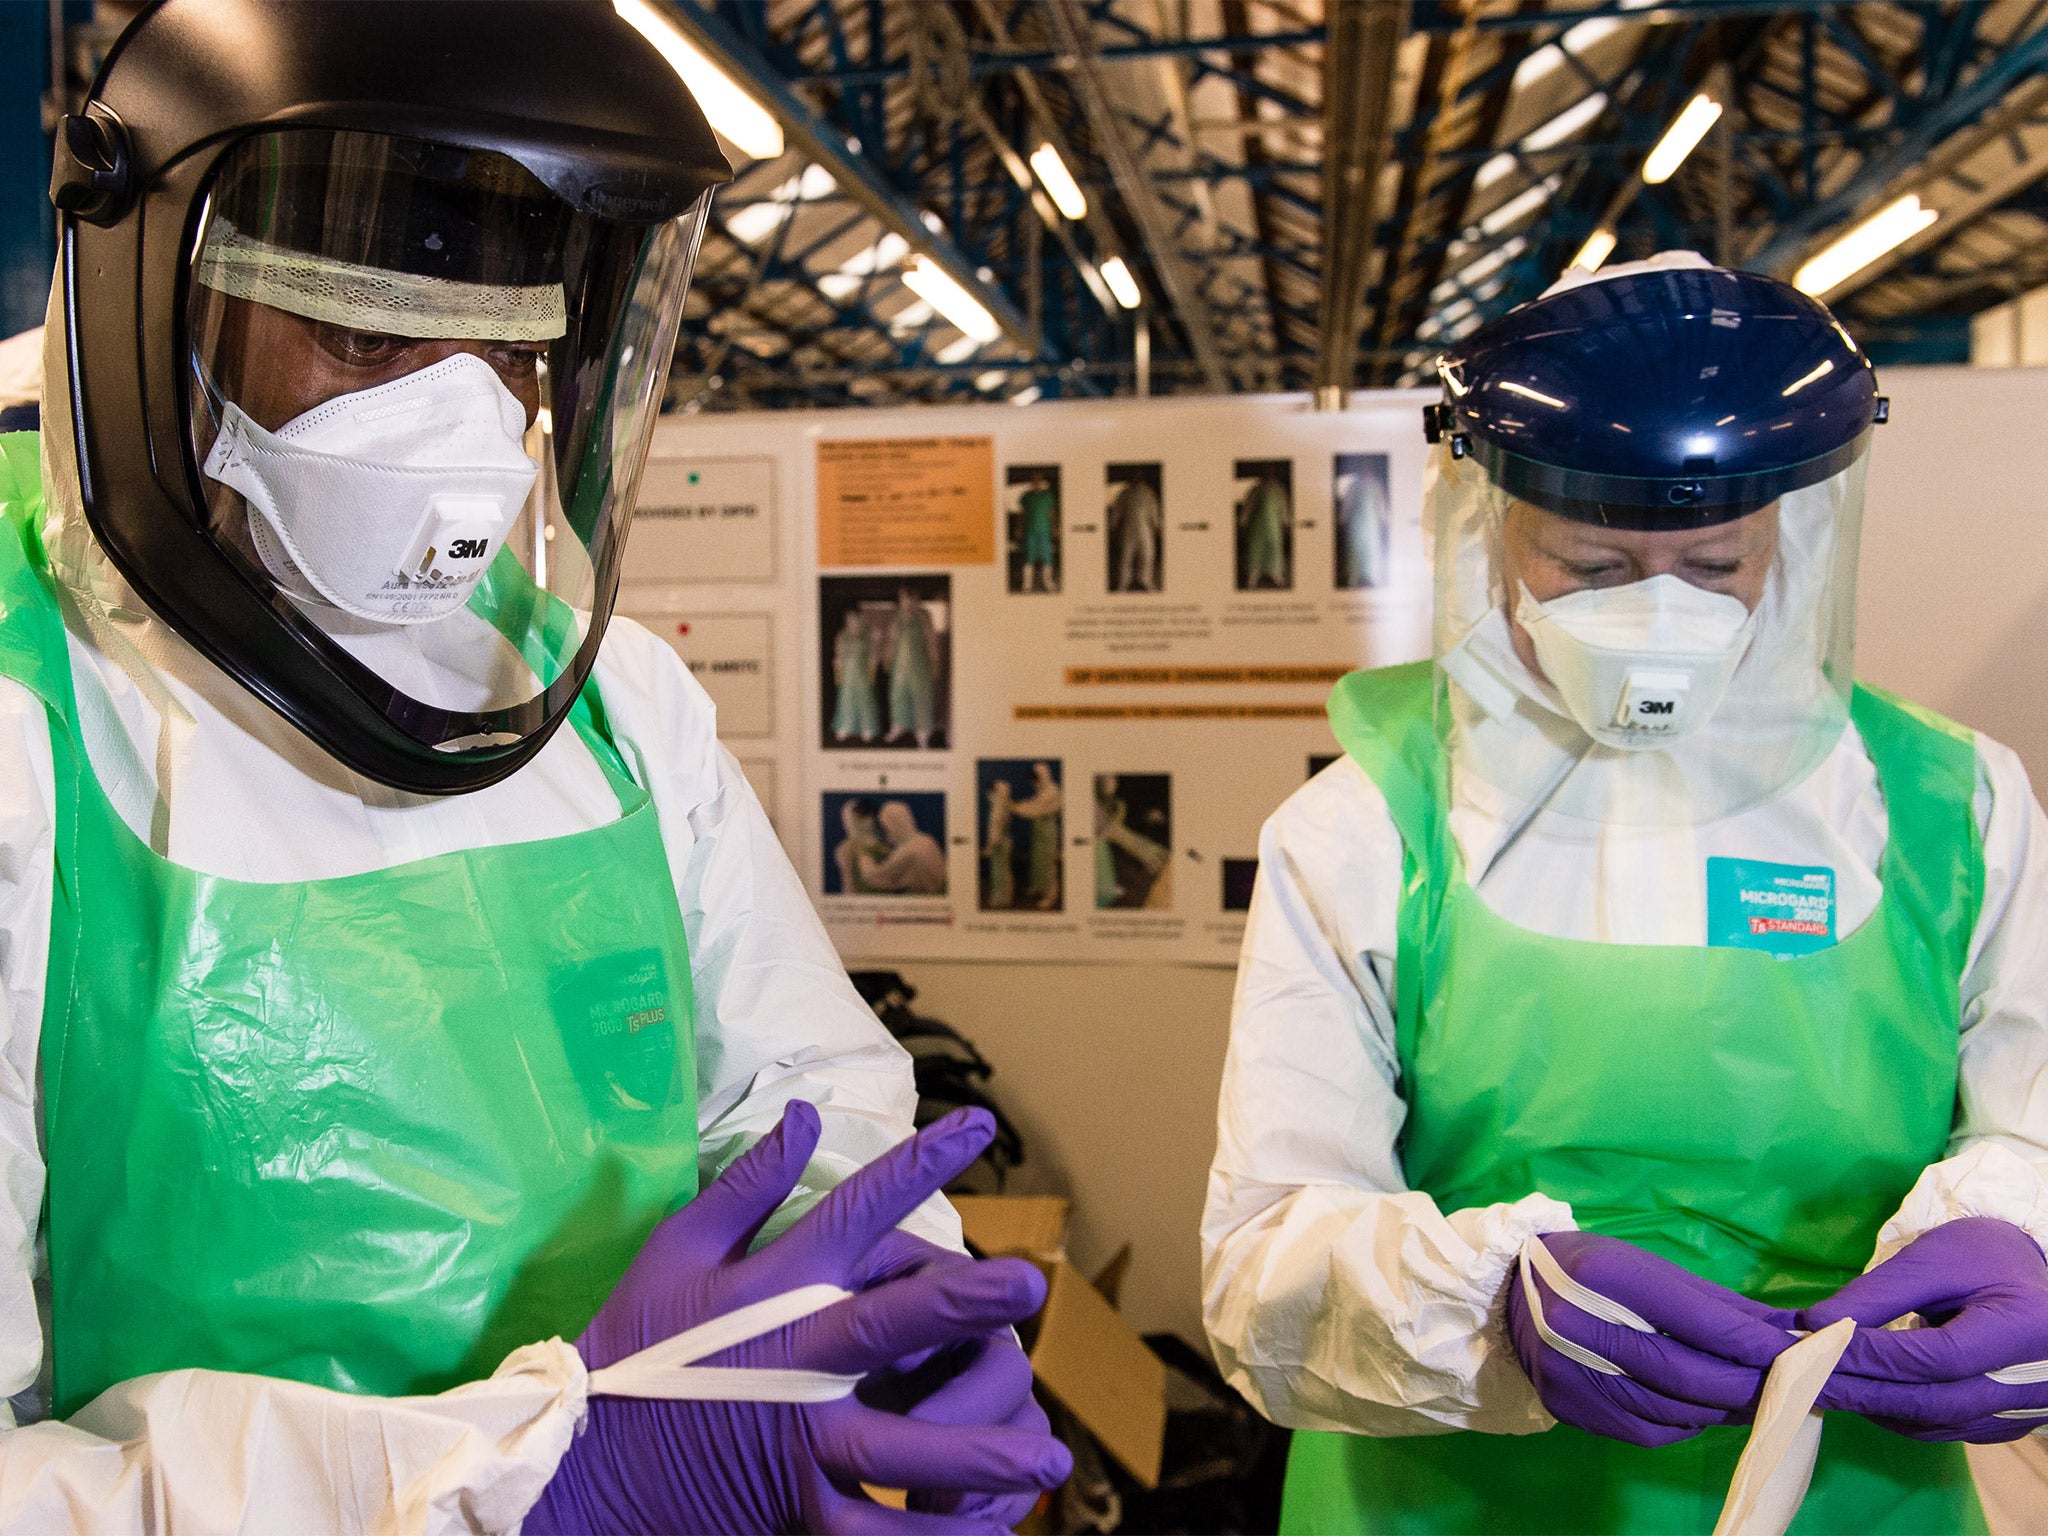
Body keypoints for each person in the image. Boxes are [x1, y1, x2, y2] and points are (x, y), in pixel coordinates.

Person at [0, 3, 1069, 1527]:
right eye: (364, 335)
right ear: (142, 295)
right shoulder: (31, 730)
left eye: (507, 349)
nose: (457, 426)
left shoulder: (610, 701)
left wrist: (886, 1319)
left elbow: (804, 1098)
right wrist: (499, 1495)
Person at [1203, 252, 2048, 1535]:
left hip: (1857, 1499)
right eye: (1591, 566)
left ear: (1791, 526)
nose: (1656, 616)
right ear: (1488, 524)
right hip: (1456, 1502)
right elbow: (1259, 1262)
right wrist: (1483, 1309)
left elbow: (2034, 1129)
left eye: (1712, 565)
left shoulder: (1952, 808)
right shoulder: (1368, 827)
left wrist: (2016, 1235)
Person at [884, 586, 940, 748]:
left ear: (916, 599)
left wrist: (935, 662)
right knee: (898, 695)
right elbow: (892, 640)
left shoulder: (924, 616)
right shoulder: (897, 617)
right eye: (903, 599)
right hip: (900, 666)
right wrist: (888, 657)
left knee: (921, 697)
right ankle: (899, 726)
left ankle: (922, 734)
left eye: (910, 598)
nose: (906, 602)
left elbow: (931, 641)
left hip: (920, 665)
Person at [857, 801, 950, 897]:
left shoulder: (907, 851)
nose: (886, 831)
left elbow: (876, 877)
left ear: (894, 825)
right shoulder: (926, 839)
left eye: (886, 826)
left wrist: (864, 857)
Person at [1015, 761, 1063, 910]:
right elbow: (1033, 803)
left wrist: (1015, 807)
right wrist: (1019, 805)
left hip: (1047, 832)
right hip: (1039, 831)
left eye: (1034, 780)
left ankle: (1050, 896)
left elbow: (1035, 808)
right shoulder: (1043, 790)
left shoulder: (1052, 791)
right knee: (1038, 862)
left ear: (1041, 777)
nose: (1033, 783)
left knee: (1048, 864)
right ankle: (1038, 887)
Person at [1335, 457, 1389, 589]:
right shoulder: (1354, 485)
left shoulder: (1375, 484)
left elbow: (1380, 504)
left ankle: (1371, 576)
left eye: (1368, 466)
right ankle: (1353, 577)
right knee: (1355, 548)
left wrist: (1386, 520)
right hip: (1356, 522)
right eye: (1363, 466)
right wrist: (1342, 517)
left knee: (1372, 548)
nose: (1366, 468)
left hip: (1372, 523)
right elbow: (1348, 503)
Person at [830, 607, 880, 743]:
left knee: (865, 699)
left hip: (863, 673)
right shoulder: (841, 635)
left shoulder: (868, 634)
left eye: (857, 620)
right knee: (846, 699)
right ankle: (845, 726)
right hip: (847, 673)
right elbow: (838, 656)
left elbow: (873, 655)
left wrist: (872, 673)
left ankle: (867, 727)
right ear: (847, 620)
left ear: (862, 620)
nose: (854, 623)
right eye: (850, 620)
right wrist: (837, 674)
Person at [1238, 468, 1290, 589]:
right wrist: (1243, 520)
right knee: (1255, 548)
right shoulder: (1255, 489)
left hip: (1274, 526)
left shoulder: (1279, 489)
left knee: (1274, 549)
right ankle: (1253, 576)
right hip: (1257, 525)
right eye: (1266, 473)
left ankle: (1275, 575)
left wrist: (1286, 521)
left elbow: (1283, 507)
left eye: (1271, 473)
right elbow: (1248, 506)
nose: (1269, 475)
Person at [1110, 475, 1162, 593]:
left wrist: (1157, 526)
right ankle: (1123, 584)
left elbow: (1154, 511)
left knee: (1147, 555)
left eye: (1140, 475)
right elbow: (1117, 510)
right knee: (1126, 556)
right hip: (1128, 529)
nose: (1137, 478)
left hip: (1145, 529)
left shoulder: (1148, 493)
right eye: (1135, 475)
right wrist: (1113, 525)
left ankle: (1145, 581)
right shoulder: (1125, 493)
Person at [833, 796, 888, 896]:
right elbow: (848, 882)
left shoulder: (884, 844)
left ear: (870, 818)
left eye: (855, 819)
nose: (848, 824)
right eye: (847, 819)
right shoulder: (848, 847)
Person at [1017, 473, 1059, 593]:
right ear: (1031, 481)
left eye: (1038, 480)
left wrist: (1055, 528)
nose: (1036, 482)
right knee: (1028, 557)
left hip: (1045, 531)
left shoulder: (1048, 496)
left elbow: (1052, 513)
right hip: (1030, 531)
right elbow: (1022, 514)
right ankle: (1027, 585)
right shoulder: (1026, 496)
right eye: (1034, 480)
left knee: (1047, 557)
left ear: (1042, 481)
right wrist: (1018, 528)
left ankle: (1048, 583)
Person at [983, 778, 1017, 909]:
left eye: (992, 790)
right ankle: (1006, 898)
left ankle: (1000, 900)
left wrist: (989, 848)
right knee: (1005, 871)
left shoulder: (997, 808)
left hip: (998, 846)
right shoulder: (1005, 804)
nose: (989, 793)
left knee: (999, 873)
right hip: (1005, 843)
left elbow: (994, 831)